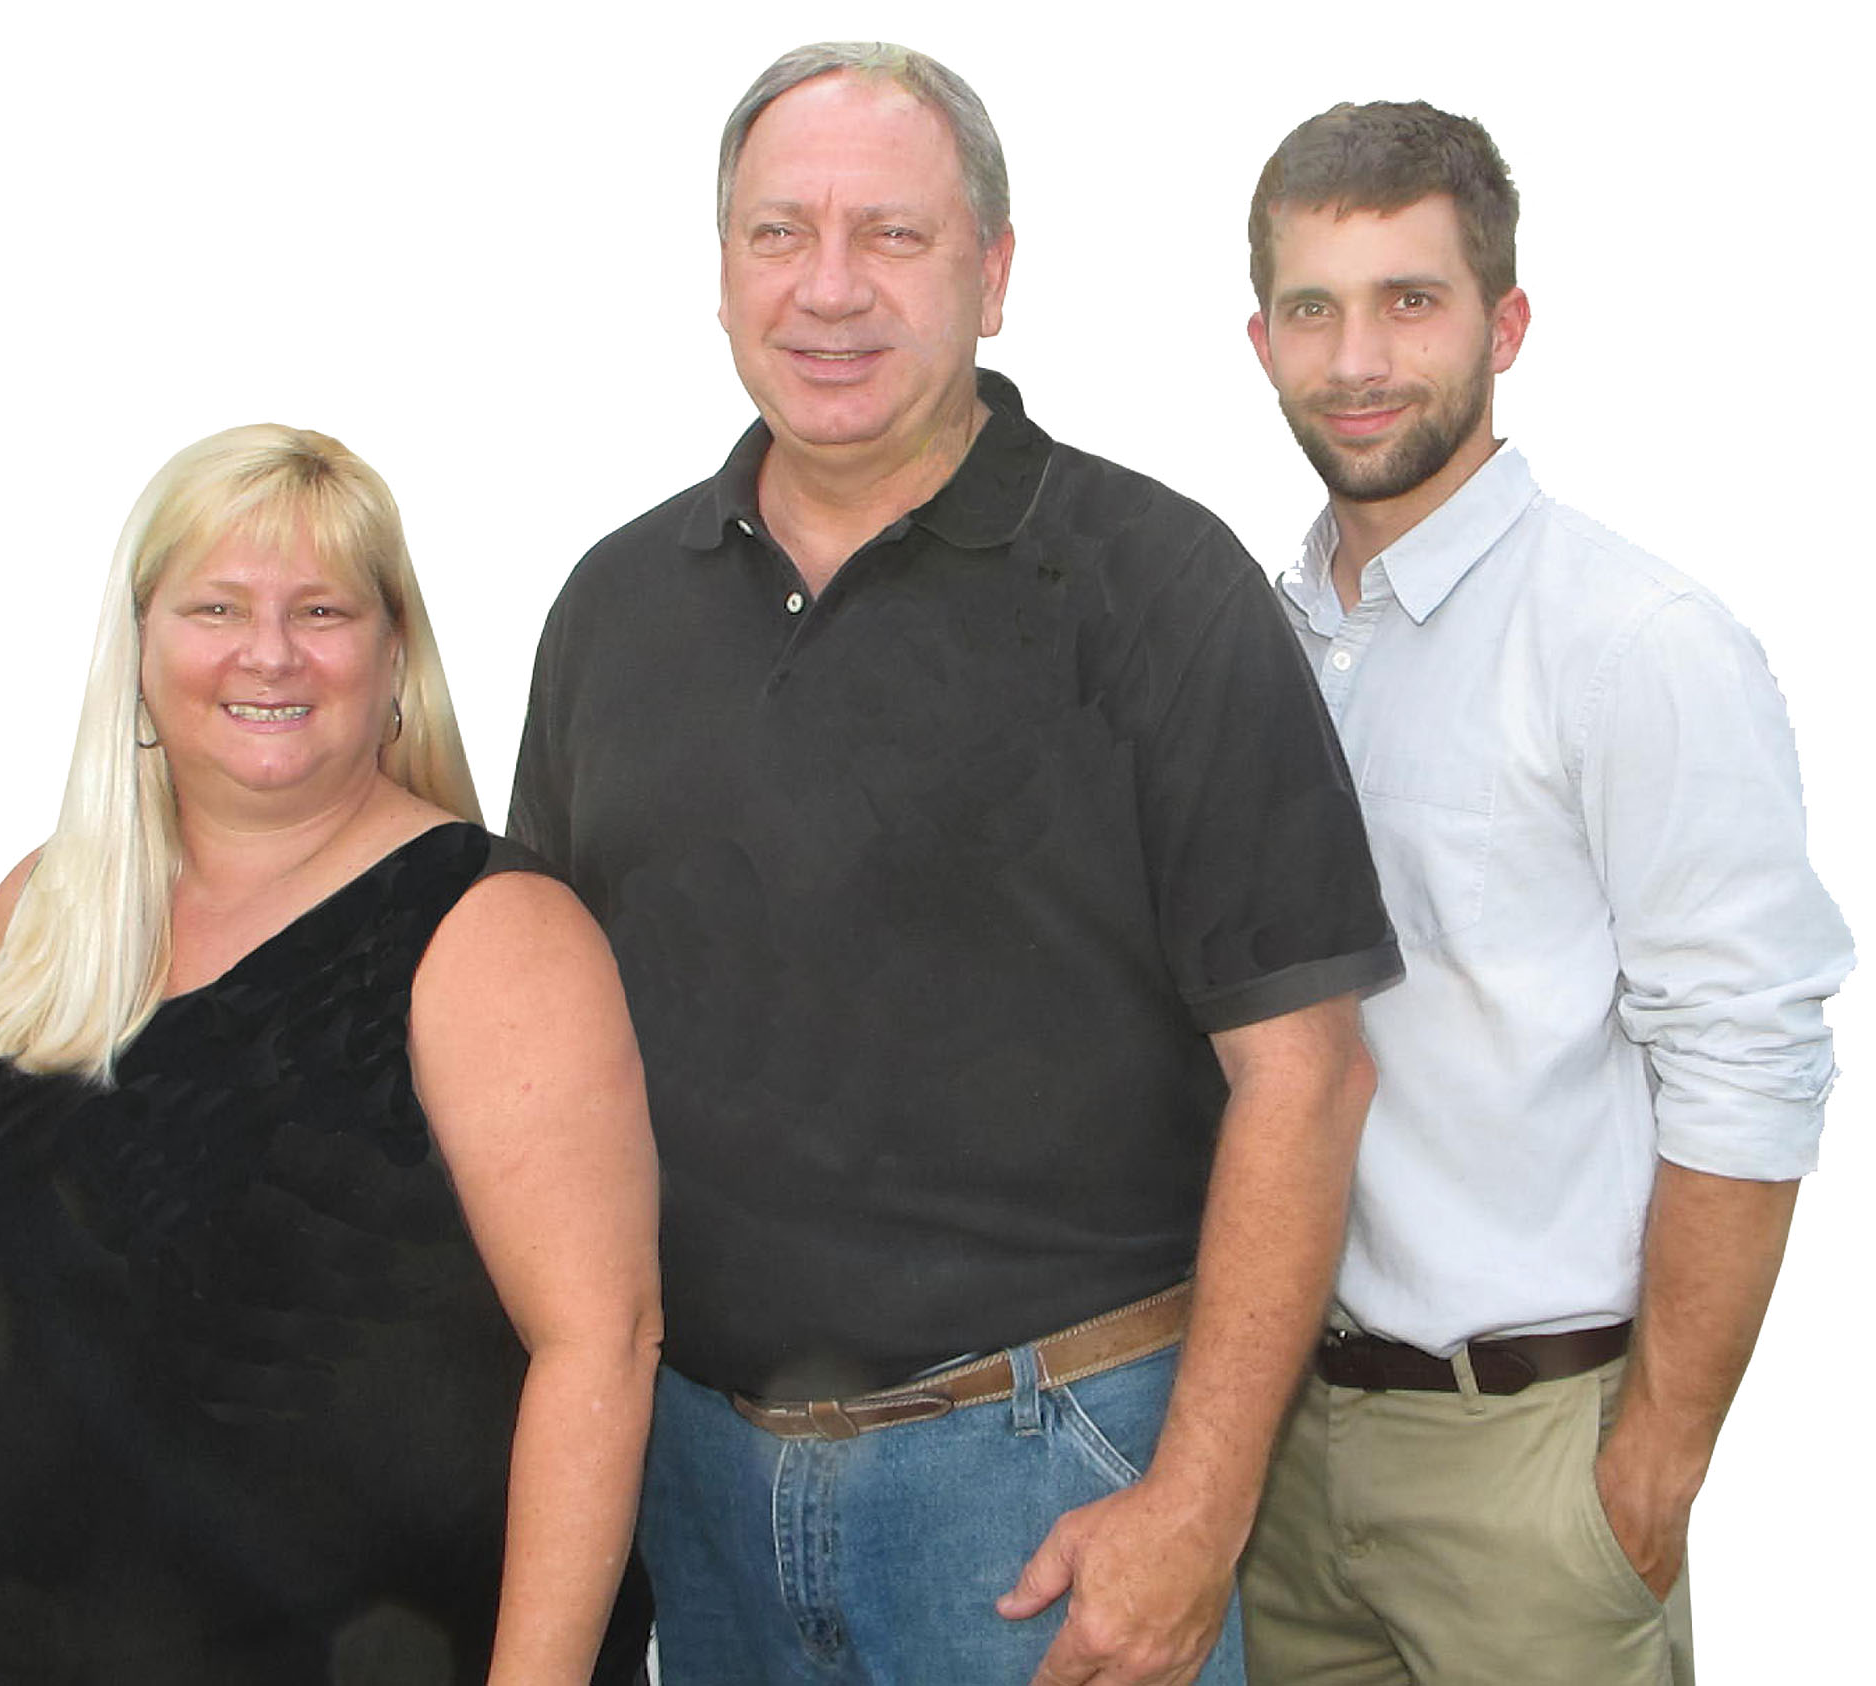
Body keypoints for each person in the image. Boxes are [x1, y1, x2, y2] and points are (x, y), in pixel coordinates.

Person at [509, 42, 1399, 1686]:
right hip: (695, 1489)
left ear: (992, 275)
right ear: (723, 273)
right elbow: (536, 1059)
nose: (829, 287)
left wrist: (1198, 1506)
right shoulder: (614, 609)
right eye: (781, 234)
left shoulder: (1154, 583)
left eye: (893, 235)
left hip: (1049, 1482)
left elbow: (1310, 1077)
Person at [0, 425, 662, 1685]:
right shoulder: (38, 921)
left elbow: (601, 1349)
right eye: (217, 607)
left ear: (393, 654)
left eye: (321, 610)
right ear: (140, 645)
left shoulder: (491, 935)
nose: (269, 651)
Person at [1236, 101, 1854, 1684]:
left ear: (1505, 325)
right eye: (1313, 307)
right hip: (1273, 1453)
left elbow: (1749, 1051)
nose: (1357, 358)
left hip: (1527, 1468)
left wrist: (1651, 1471)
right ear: (1260, 340)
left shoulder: (1632, 643)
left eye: (1410, 300)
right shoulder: (1250, 646)